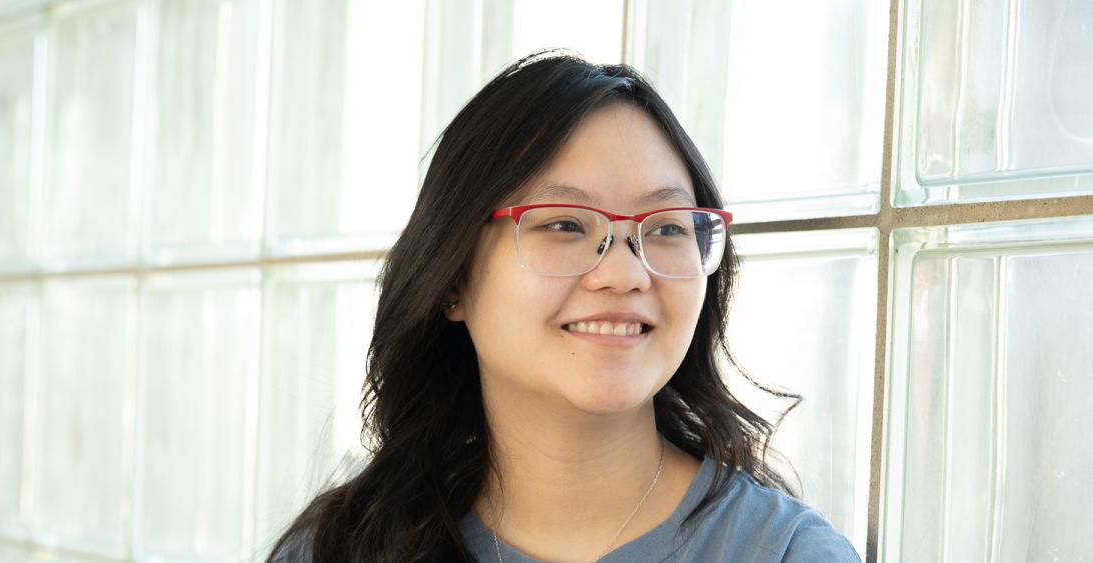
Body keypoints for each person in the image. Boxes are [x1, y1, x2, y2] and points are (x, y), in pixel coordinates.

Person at [266, 50, 860, 562]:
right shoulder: (339, 547)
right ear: (452, 277)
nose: (625, 274)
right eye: (565, 225)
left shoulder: (785, 552)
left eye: (667, 228)